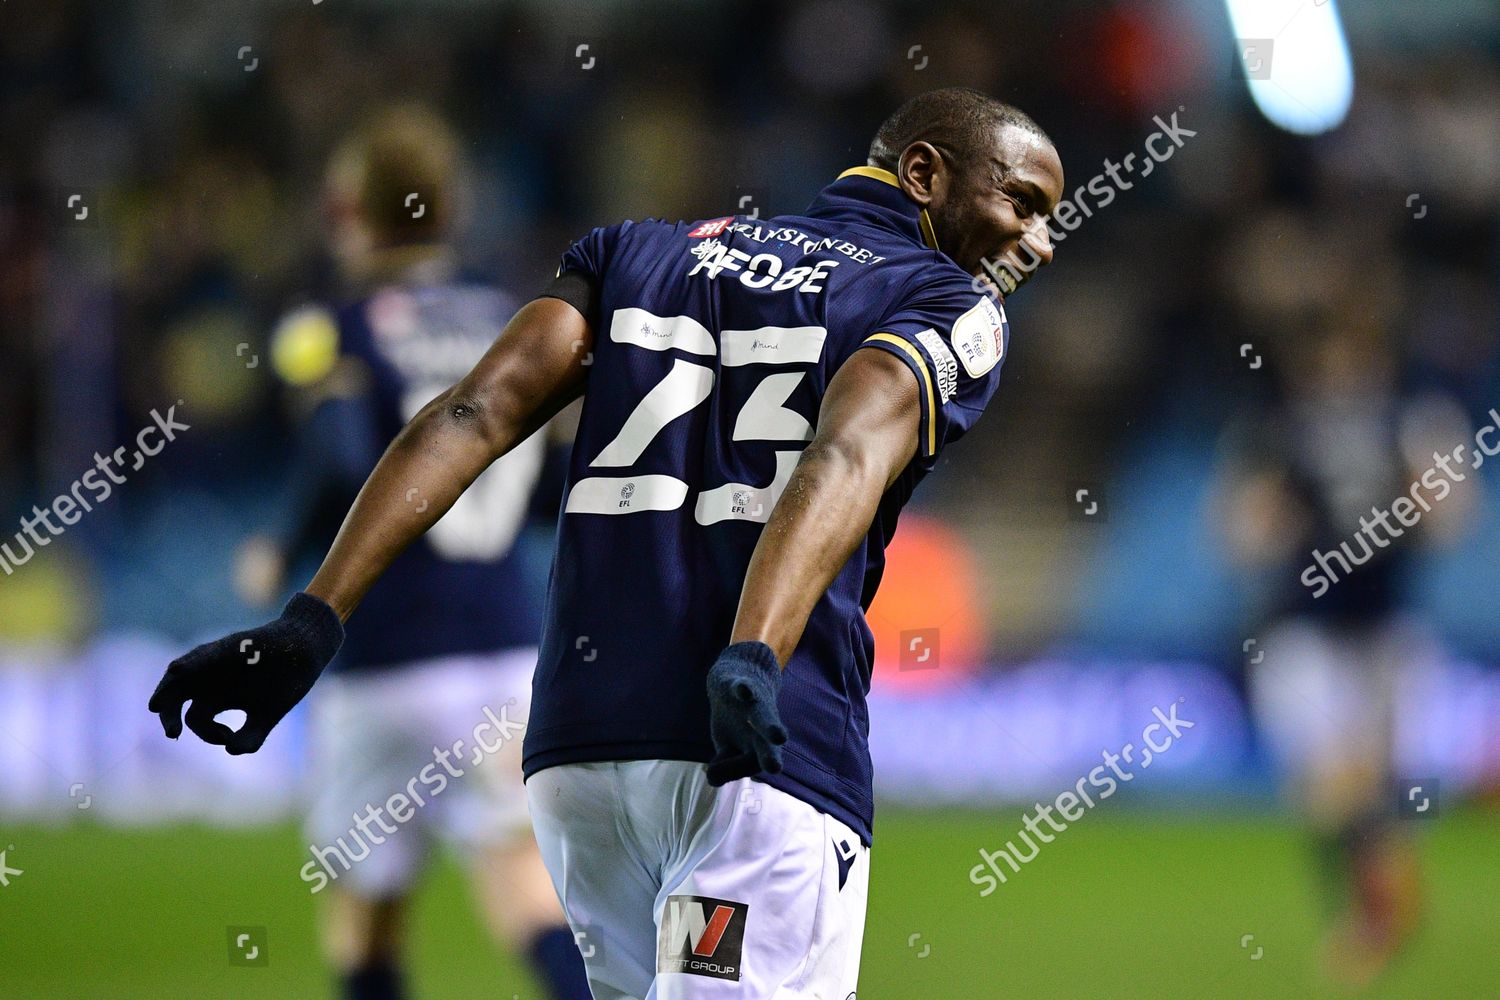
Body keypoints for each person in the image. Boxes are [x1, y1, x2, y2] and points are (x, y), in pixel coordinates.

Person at [151, 87, 1063, 999]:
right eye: (1021, 203)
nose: (1039, 239)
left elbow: (476, 412)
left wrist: (315, 616)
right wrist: (752, 654)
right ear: (924, 174)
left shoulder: (637, 252)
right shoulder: (942, 303)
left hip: (582, 754)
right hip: (756, 751)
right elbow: (842, 454)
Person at [232, 105, 589, 1000]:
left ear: (348, 210)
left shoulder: (331, 327)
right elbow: (548, 486)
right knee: (527, 891)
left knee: (366, 913)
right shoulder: (513, 320)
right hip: (506, 644)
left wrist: (283, 545)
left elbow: (348, 456)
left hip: (388, 651)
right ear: (451, 208)